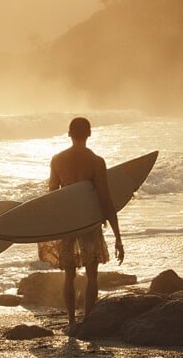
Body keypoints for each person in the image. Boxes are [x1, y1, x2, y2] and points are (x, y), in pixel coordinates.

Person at [38, 117, 124, 327]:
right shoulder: (96, 161)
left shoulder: (57, 160)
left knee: (69, 275)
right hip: (88, 221)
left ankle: (71, 320)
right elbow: (105, 199)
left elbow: (53, 195)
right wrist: (118, 237)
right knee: (92, 275)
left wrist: (50, 226)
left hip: (69, 221)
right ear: (89, 134)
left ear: (69, 133)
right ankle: (88, 319)